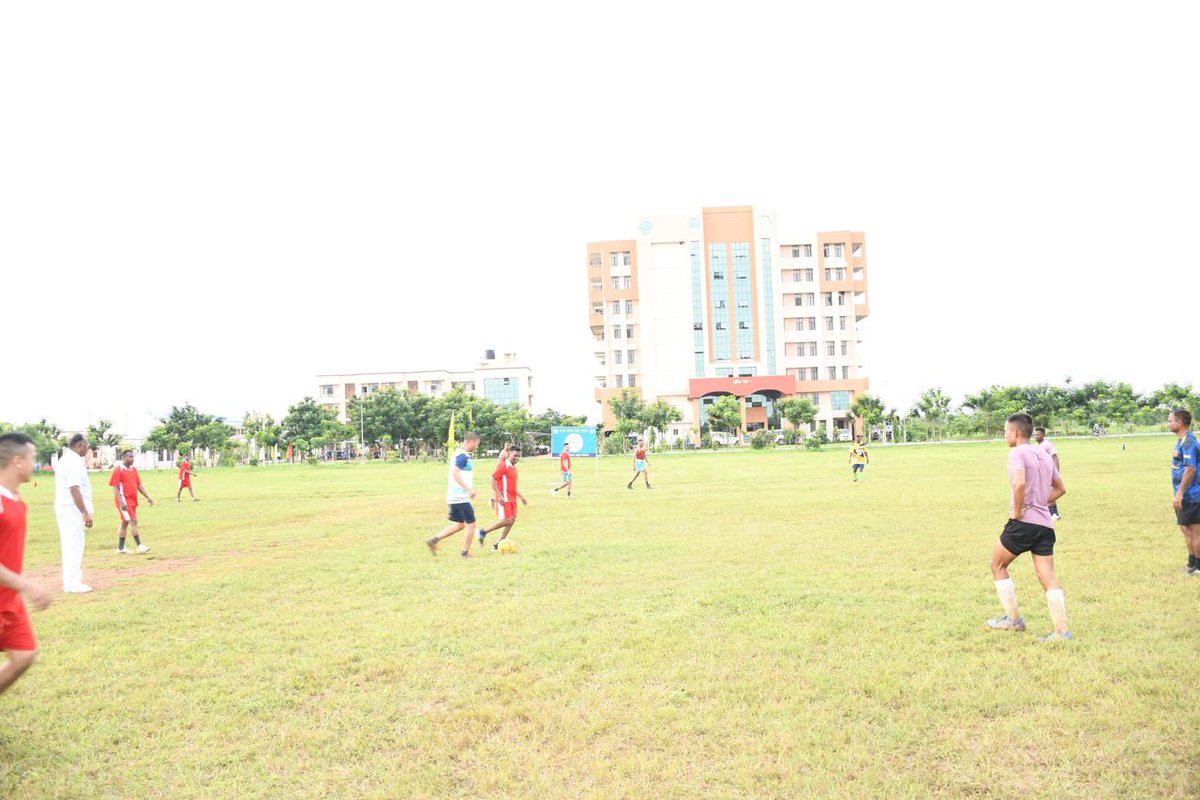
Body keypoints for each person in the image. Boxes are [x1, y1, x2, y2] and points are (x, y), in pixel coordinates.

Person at [986, 413, 1071, 641]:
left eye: (1005, 431)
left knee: (997, 564)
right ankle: (1061, 631)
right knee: (1048, 576)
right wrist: (1039, 503)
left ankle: (1013, 621)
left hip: (1023, 523)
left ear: (1014, 432)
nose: (1005, 436)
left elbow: (1020, 482)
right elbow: (1061, 488)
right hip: (1045, 525)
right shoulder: (1042, 454)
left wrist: (1019, 509)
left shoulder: (1016, 453)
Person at [0, 432, 53, 698]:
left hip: (9, 600)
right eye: (32, 458)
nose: (35, 464)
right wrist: (27, 586)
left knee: (24, 655)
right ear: (17, 460)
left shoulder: (16, 499)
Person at [426, 432, 480, 558]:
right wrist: (469, 489)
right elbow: (456, 473)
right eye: (476, 444)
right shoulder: (463, 455)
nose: (476, 447)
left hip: (454, 496)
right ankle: (464, 553)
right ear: (470, 441)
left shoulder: (458, 453)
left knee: (460, 524)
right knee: (471, 524)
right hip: (460, 497)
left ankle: (433, 540)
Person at [54, 434, 94, 593]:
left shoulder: (66, 459)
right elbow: (74, 488)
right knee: (74, 544)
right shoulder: (74, 461)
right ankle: (72, 583)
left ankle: (71, 579)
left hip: (67, 507)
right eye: (87, 445)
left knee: (70, 543)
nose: (87, 449)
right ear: (79, 445)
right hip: (72, 508)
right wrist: (84, 512)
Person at [1166, 408, 1200, 575]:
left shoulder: (1189, 442)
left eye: (1170, 421)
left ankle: (1198, 568)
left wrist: (1179, 493)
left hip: (1192, 494)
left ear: (1179, 423)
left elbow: (1190, 469)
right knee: (1185, 529)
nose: (1168, 424)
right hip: (1184, 494)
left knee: (1195, 531)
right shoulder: (1182, 440)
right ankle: (1191, 563)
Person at [479, 444, 527, 549]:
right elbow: (492, 479)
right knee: (507, 520)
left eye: (519, 456)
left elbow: (512, 487)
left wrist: (521, 496)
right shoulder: (503, 465)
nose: (517, 458)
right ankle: (483, 531)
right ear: (509, 453)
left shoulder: (514, 468)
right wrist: (499, 495)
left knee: (512, 520)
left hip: (512, 498)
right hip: (504, 498)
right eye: (515, 455)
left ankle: (497, 545)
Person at [108, 450, 153, 554]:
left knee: (124, 522)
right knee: (133, 521)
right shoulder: (118, 470)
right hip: (124, 501)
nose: (132, 459)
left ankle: (120, 548)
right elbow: (114, 487)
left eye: (133, 457)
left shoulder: (133, 470)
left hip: (133, 500)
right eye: (130, 457)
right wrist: (121, 502)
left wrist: (148, 497)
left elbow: (138, 485)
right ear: (124, 458)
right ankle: (139, 546)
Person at [1032, 427, 1061, 520]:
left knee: (1050, 492)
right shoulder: (1036, 445)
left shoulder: (1047, 444)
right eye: (1034, 435)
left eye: (1038, 434)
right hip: (1040, 473)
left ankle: (1054, 514)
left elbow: (1055, 457)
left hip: (1048, 472)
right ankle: (1047, 513)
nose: (1035, 436)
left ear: (1043, 435)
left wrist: (1056, 472)